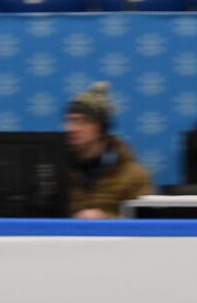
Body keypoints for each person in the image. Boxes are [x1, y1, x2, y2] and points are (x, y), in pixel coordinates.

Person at [64, 81, 152, 218]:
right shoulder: (55, 170)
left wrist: (105, 220)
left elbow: (145, 225)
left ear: (101, 128)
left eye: (83, 121)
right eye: (69, 121)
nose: (71, 129)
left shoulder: (133, 175)